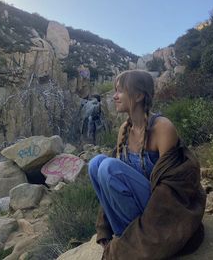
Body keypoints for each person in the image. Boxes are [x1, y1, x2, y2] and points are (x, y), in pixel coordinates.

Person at [88, 70, 206, 260]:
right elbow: (109, 187)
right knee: (95, 164)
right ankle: (124, 234)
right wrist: (103, 228)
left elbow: (172, 188)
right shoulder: (124, 130)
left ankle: (135, 240)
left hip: (160, 213)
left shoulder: (162, 128)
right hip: (133, 215)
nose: (114, 96)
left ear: (139, 95)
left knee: (108, 167)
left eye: (120, 91)